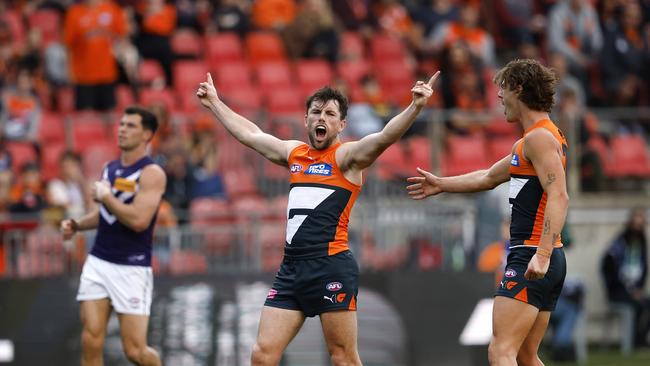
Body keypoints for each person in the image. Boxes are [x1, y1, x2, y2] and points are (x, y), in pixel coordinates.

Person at [197, 70, 439, 365]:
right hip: (292, 269)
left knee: (343, 358)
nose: (321, 117)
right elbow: (251, 134)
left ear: (341, 124)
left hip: (330, 267)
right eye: (315, 112)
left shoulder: (347, 158)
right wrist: (216, 102)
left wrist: (415, 107)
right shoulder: (295, 153)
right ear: (306, 120)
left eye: (329, 113)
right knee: (262, 355)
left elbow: (385, 137)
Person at [406, 59, 569, 366]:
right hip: (542, 255)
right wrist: (441, 184)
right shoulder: (532, 140)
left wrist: (543, 254)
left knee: (500, 351)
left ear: (519, 89)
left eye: (503, 89)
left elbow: (559, 195)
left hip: (533, 254)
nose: (498, 97)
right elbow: (488, 177)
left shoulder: (539, 139)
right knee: (524, 355)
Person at [60, 106, 166, 366]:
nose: (121, 129)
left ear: (147, 134)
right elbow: (105, 215)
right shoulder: (110, 168)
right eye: (121, 124)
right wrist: (77, 225)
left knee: (135, 351)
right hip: (98, 261)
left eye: (130, 125)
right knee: (91, 338)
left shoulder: (152, 173)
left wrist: (107, 196)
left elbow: (139, 221)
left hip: (131, 267)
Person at [601, 207, 650, 348]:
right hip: (618, 292)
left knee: (644, 305)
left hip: (633, 290)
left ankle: (638, 339)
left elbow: (643, 269)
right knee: (637, 305)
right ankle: (635, 341)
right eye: (635, 225)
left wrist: (639, 289)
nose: (637, 229)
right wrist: (627, 290)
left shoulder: (641, 243)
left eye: (641, 226)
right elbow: (610, 271)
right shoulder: (618, 245)